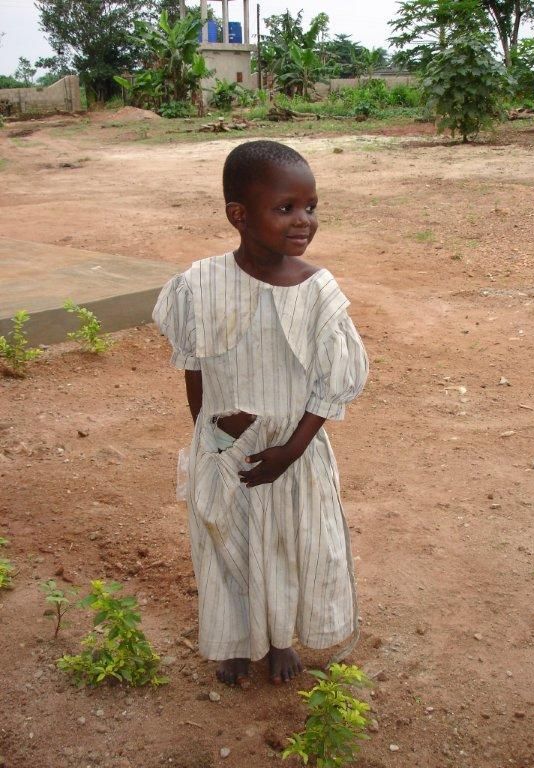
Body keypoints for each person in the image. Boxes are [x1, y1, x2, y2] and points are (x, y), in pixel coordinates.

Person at [153, 140, 368, 687]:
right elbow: (194, 367)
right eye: (285, 208)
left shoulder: (318, 292)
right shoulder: (199, 286)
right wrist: (212, 440)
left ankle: (278, 641)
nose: (304, 221)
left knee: (288, 546)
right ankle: (235, 641)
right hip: (226, 448)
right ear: (239, 215)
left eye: (311, 207)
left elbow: (330, 382)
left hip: (292, 453)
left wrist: (290, 452)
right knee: (227, 544)